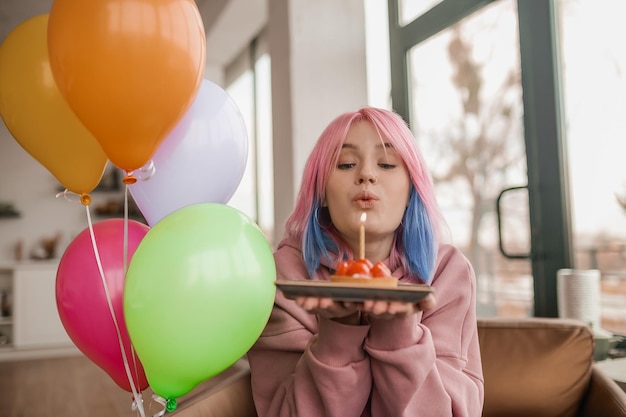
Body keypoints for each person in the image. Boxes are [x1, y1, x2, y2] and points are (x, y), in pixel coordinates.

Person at [247, 107, 484, 417]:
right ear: (321, 192)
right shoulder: (284, 277)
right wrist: (337, 333)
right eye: (346, 164)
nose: (366, 175)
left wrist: (399, 332)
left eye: (386, 164)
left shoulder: (448, 273)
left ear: (412, 189)